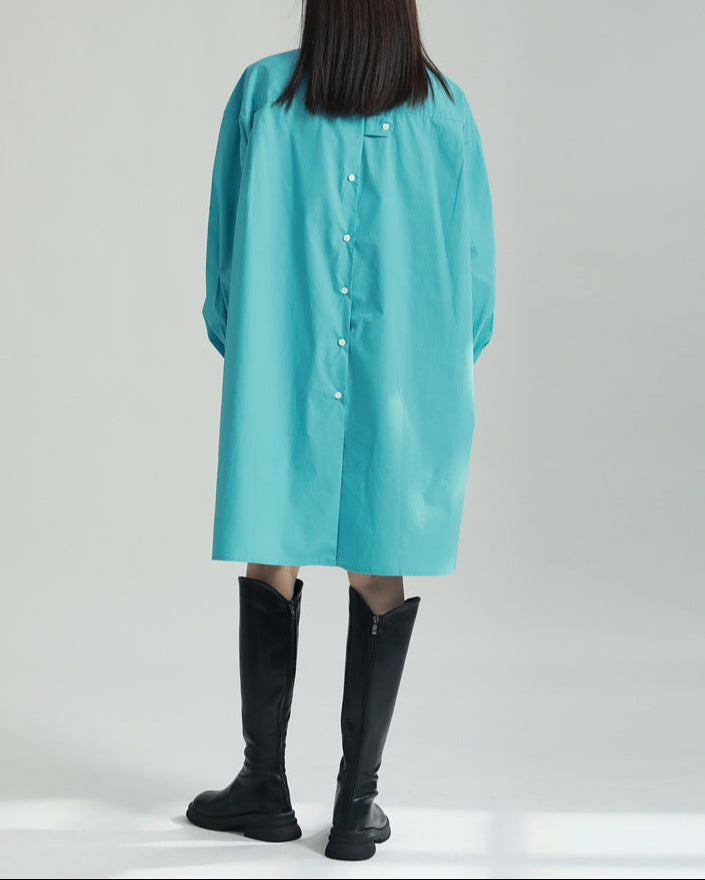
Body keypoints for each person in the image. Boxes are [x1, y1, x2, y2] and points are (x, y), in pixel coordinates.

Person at [186, 0, 495, 862]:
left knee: (271, 546)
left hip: (280, 357)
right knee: (378, 559)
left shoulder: (263, 95)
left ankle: (263, 787)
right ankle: (356, 809)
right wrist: (429, 366)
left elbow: (223, 260)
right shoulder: (446, 110)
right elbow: (474, 285)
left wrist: (255, 349)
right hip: (404, 377)